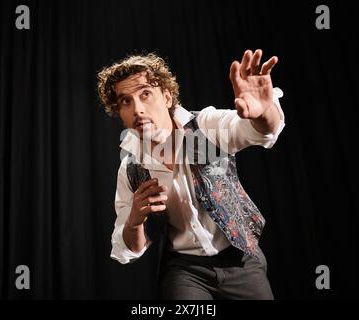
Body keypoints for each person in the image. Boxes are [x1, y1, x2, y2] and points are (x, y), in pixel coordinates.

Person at [97, 49, 285, 299]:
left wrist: (263, 113)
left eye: (145, 94)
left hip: (240, 258)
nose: (138, 109)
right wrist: (134, 220)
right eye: (126, 101)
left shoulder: (205, 127)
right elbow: (130, 249)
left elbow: (261, 133)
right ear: (119, 112)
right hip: (185, 270)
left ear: (166, 96)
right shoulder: (131, 169)